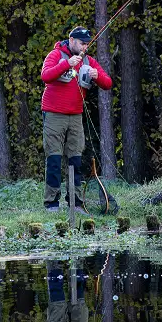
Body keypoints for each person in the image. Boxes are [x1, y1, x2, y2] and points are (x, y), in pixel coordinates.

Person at [41, 26, 113, 212]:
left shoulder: (88, 61)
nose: (84, 48)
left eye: (87, 44)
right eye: (82, 43)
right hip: (54, 114)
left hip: (75, 116)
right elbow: (46, 76)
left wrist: (97, 76)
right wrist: (67, 64)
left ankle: (76, 202)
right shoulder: (55, 55)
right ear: (71, 40)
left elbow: (108, 83)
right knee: (54, 159)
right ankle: (52, 203)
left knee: (75, 160)